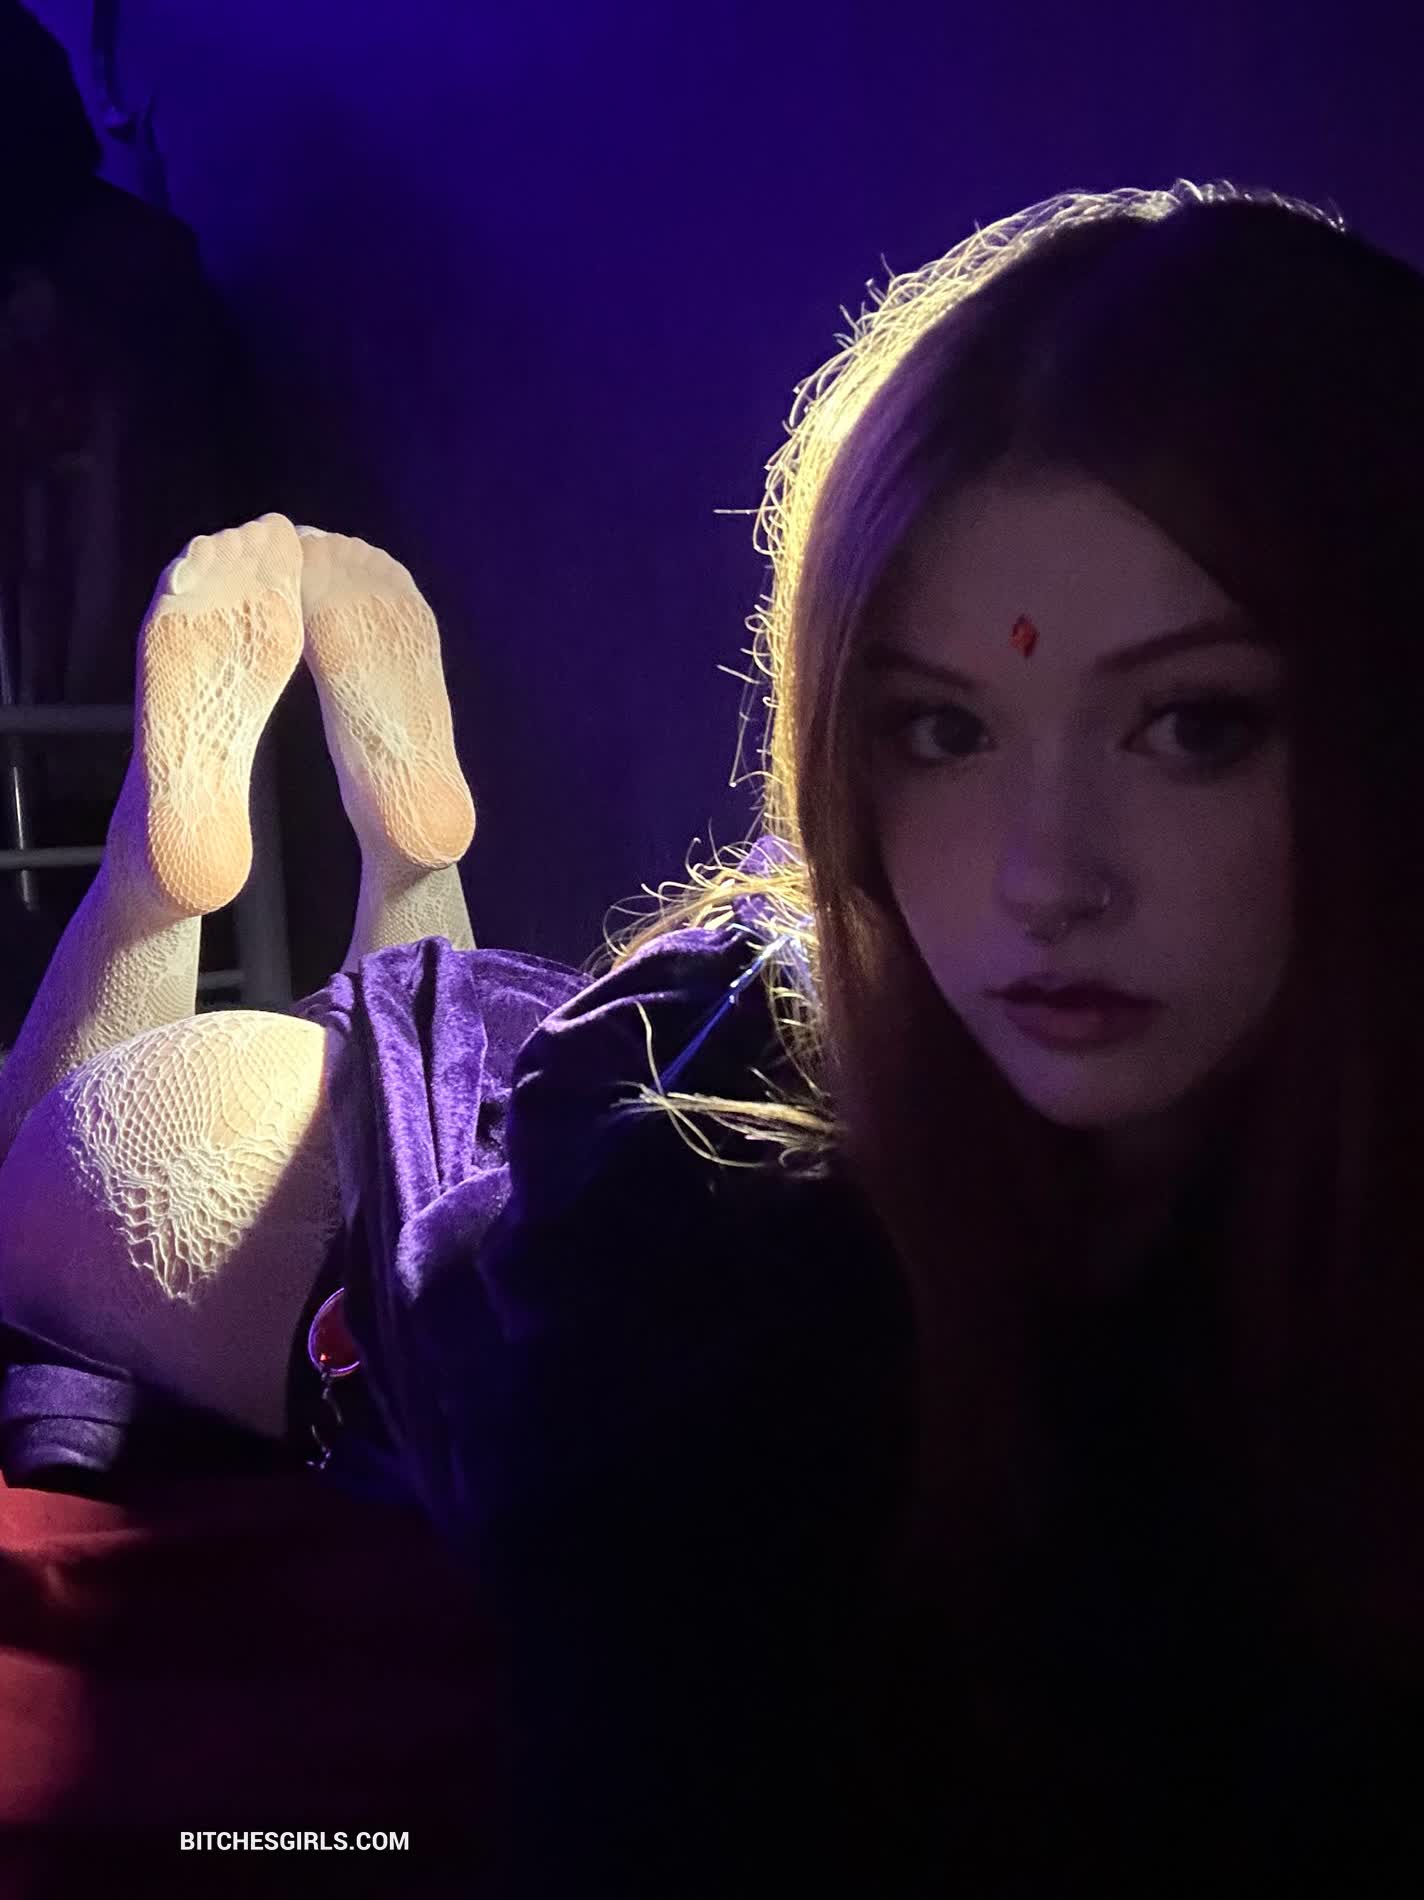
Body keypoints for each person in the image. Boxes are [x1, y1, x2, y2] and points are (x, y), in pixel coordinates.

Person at [2, 177, 1423, 1895]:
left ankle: (407, 859)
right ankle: (174, 864)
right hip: (333, 1181)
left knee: (500, 1036)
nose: (1047, 879)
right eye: (945, 728)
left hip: (597, 1062)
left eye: (1192, 725)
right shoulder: (721, 1275)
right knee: (31, 1163)